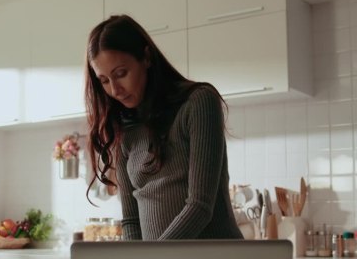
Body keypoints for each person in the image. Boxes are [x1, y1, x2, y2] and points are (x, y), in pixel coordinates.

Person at [84, 14, 243, 241]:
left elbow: (200, 206)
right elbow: (131, 221)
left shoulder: (199, 102)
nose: (115, 90)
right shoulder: (125, 129)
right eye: (104, 80)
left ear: (146, 57)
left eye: (121, 74)